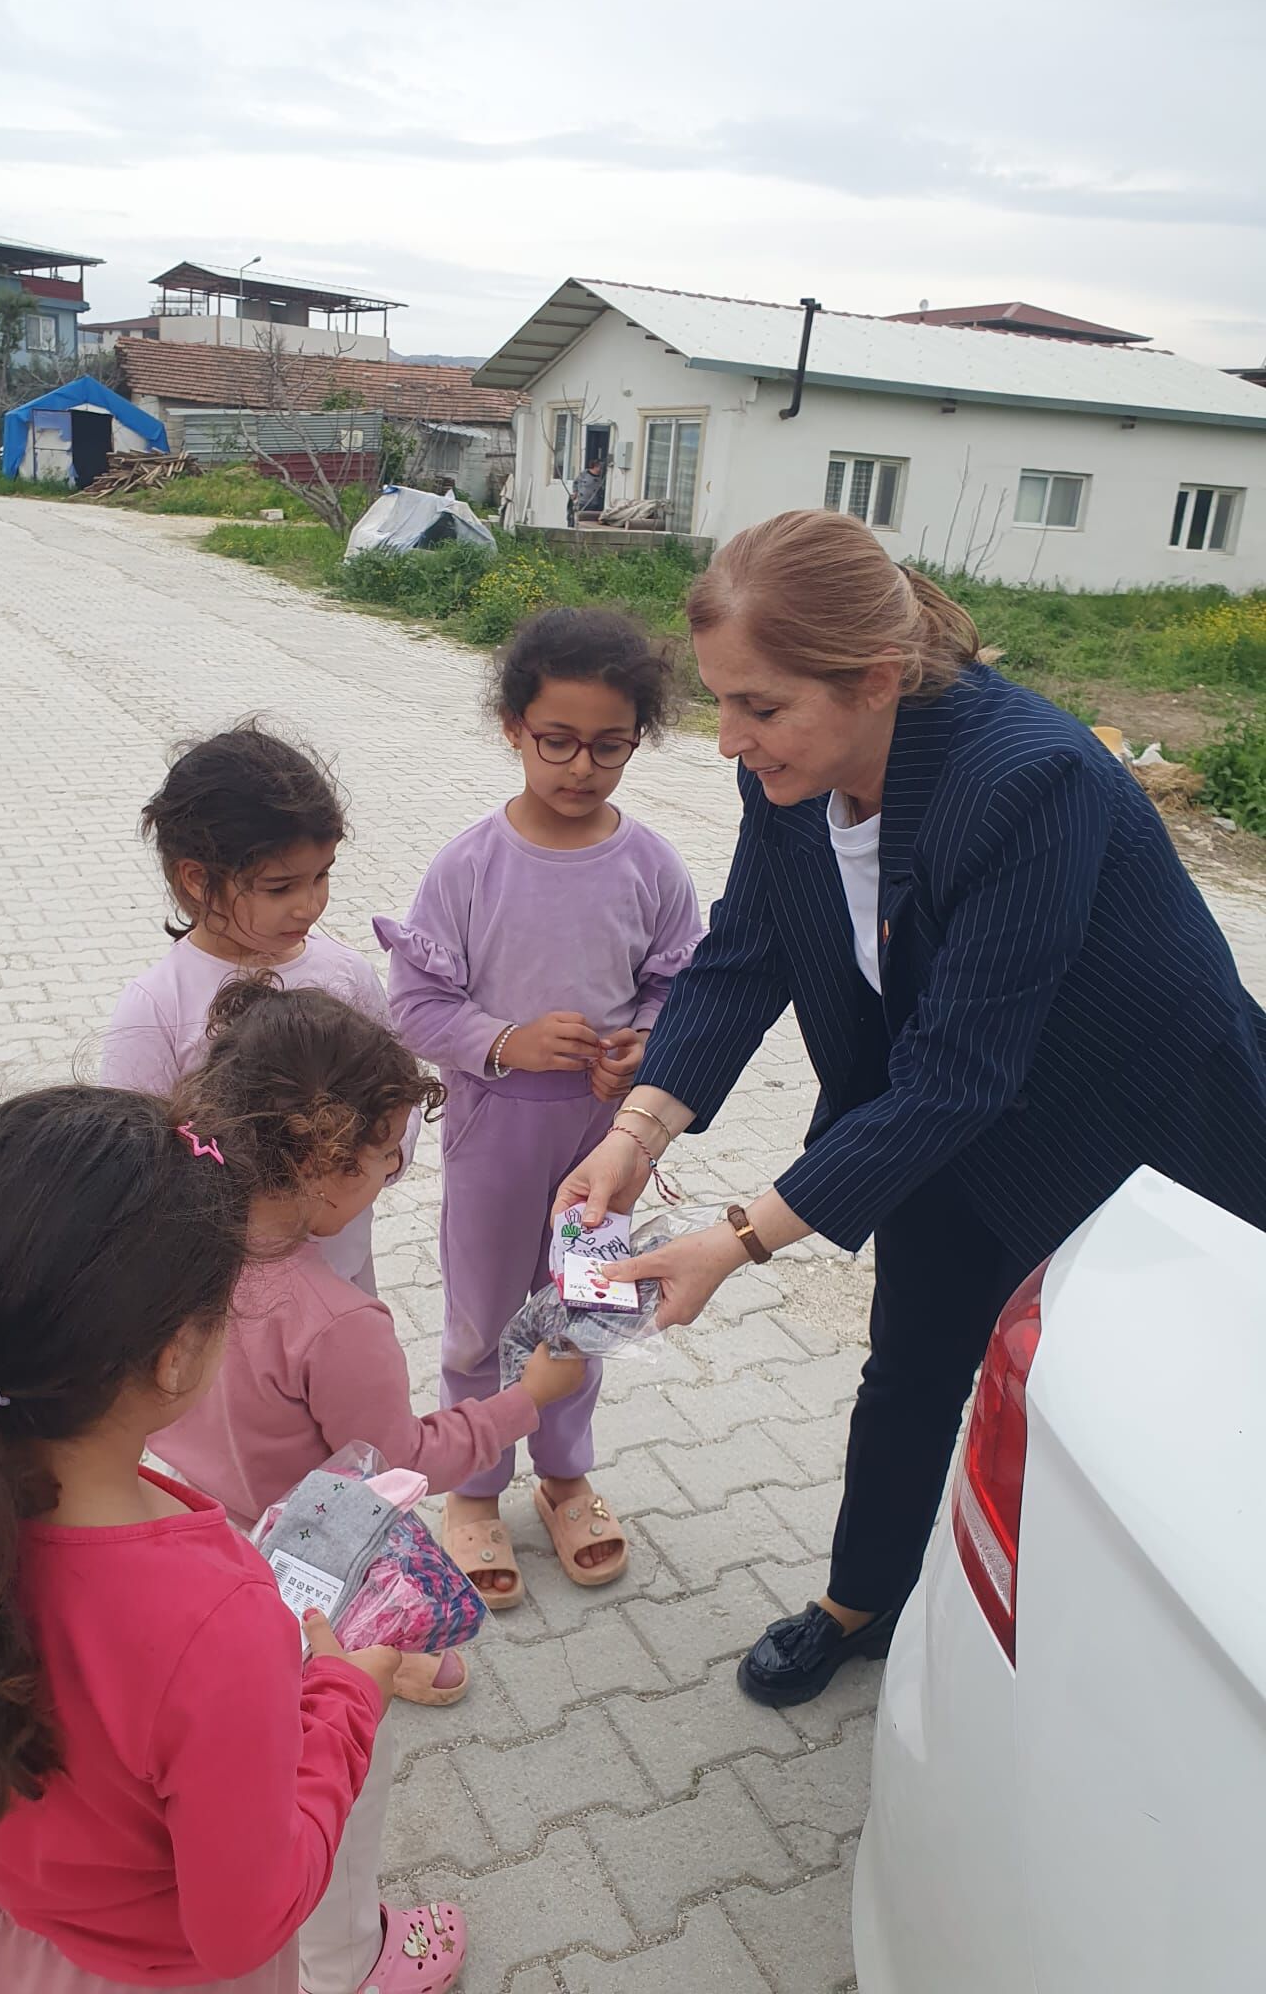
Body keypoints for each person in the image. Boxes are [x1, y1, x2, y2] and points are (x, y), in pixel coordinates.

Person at [555, 508, 1266, 1709]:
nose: (729, 740)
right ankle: (866, 1597)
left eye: (759, 707)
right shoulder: (796, 766)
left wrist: (734, 1241)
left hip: (1134, 1141)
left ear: (877, 679)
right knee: (915, 1365)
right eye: (720, 701)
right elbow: (746, 953)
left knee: (1111, 1416)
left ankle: (1103, 1683)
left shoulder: (1030, 776)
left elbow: (960, 1076)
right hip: (935, 1117)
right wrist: (635, 1134)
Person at [0, 1083, 437, 1994]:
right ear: (175, 1355)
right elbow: (240, 1928)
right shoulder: (218, 1622)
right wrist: (346, 1705)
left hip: (0, 1939)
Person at [150, 977, 584, 1993]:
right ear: (323, 1166)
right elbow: (399, 1465)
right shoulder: (332, 1321)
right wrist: (528, 1398)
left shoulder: (157, 1257)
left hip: (199, 1556)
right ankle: (349, 1958)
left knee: (239, 1774)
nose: (394, 1172)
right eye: (389, 1154)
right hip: (316, 1594)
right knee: (334, 1784)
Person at [374, 609, 702, 1602]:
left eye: (610, 746)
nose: (581, 767)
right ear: (514, 726)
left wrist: (647, 1043)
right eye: (557, 741)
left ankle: (565, 1475)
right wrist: (505, 1042)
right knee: (481, 1319)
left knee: (583, 1309)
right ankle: (473, 1487)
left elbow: (682, 983)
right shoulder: (470, 865)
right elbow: (416, 1003)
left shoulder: (651, 866)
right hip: (493, 1127)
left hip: (607, 1135)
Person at [103, 720, 416, 1296]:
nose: (309, 905)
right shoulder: (156, 1005)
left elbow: (398, 1097)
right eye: (280, 887)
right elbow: (137, 1167)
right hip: (222, 1293)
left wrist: (377, 1161)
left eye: (322, 877)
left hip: (341, 1265)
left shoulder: (345, 974)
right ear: (197, 879)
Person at [568, 457, 605, 526]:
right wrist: (575, 493)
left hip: (594, 503)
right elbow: (576, 482)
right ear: (594, 466)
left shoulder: (601, 477)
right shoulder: (585, 473)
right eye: (599, 467)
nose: (600, 469)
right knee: (579, 518)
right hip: (582, 502)